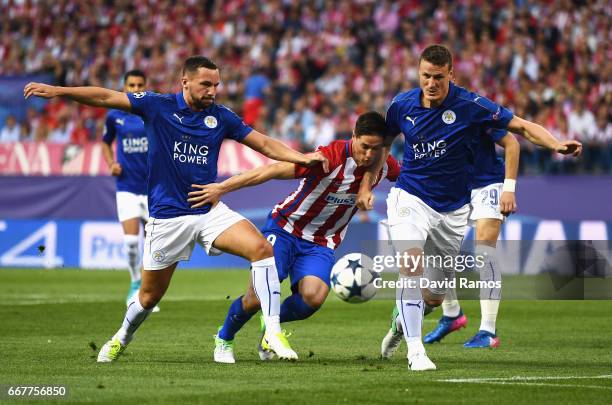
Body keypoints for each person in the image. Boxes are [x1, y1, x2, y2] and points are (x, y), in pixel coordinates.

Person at [24, 55, 328, 363]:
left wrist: (302, 158)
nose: (213, 91)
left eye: (217, 85)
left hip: (207, 210)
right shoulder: (157, 106)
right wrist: (60, 91)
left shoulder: (221, 116)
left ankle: (272, 331)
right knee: (148, 297)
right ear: (185, 81)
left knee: (262, 249)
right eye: (206, 84)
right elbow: (105, 96)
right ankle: (121, 337)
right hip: (168, 218)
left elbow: (262, 142)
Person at [356, 44, 581, 371]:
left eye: (438, 77)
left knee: (434, 296)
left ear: (451, 75)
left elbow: (520, 128)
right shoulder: (400, 105)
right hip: (410, 197)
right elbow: (383, 146)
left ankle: (400, 326)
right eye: (425, 76)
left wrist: (556, 143)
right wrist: (366, 184)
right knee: (410, 264)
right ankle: (416, 352)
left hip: (452, 209)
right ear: (418, 73)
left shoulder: (471, 105)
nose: (431, 83)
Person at [186, 111, 399, 364]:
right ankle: (224, 337)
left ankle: (270, 329)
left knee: (314, 297)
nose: (368, 155)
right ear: (353, 137)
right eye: (364, 147)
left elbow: (412, 179)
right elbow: (273, 170)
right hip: (285, 228)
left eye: (376, 149)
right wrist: (222, 187)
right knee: (255, 298)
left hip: (321, 241)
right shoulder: (329, 157)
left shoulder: (385, 166)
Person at [100, 69, 158, 310]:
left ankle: (147, 289)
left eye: (139, 85)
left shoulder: (153, 114)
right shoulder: (115, 116)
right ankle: (136, 283)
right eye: (131, 85)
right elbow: (105, 143)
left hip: (153, 189)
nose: (135, 89)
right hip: (126, 188)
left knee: (153, 244)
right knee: (132, 242)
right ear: (124, 87)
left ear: (145, 86)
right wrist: (111, 163)